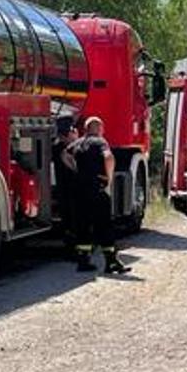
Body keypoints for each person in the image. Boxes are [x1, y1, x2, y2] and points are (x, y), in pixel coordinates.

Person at [65, 116, 127, 274]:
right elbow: (109, 157)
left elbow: (64, 155)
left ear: (85, 129)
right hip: (97, 187)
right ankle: (111, 262)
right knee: (104, 224)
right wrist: (109, 178)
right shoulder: (100, 142)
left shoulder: (78, 142)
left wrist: (76, 169)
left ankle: (83, 262)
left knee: (82, 224)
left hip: (79, 190)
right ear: (99, 128)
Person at [54, 121, 87, 271]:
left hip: (63, 190)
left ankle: (72, 249)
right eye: (74, 131)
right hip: (71, 190)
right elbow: (75, 167)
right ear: (68, 133)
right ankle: (74, 252)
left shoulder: (56, 147)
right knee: (74, 221)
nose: (77, 134)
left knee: (68, 220)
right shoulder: (66, 149)